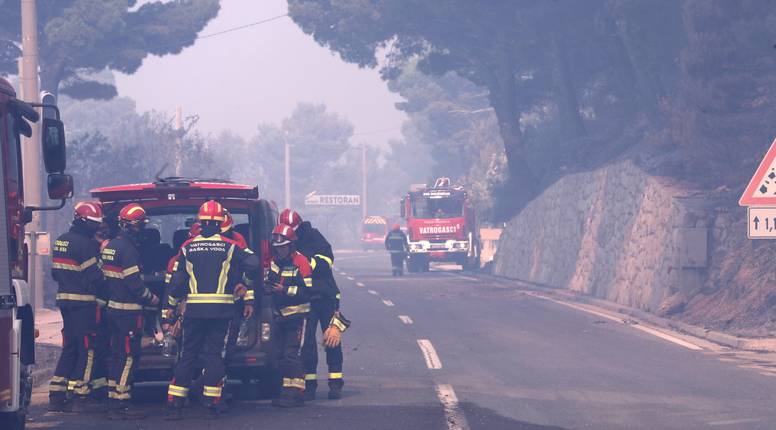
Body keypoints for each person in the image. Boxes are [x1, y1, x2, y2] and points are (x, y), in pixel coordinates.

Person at [163, 201, 260, 420]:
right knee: (214, 356)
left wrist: (170, 306)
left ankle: (175, 404)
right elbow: (254, 263)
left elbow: (177, 283)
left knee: (187, 355)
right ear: (220, 222)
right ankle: (211, 404)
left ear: (201, 221)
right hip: (221, 311)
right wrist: (243, 281)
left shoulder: (187, 247)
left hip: (194, 311)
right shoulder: (230, 246)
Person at [278, 209, 348, 399]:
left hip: (325, 297)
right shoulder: (286, 242)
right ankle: (309, 385)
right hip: (306, 299)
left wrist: (306, 263)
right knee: (307, 344)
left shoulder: (313, 236)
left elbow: (327, 260)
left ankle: (335, 384)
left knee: (331, 339)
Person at [100, 203, 160, 420]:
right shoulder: (129, 250)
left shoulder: (110, 247)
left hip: (113, 310)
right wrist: (151, 298)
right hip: (129, 313)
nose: (142, 230)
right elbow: (134, 283)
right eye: (141, 225)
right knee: (128, 357)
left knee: (116, 355)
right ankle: (122, 403)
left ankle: (113, 398)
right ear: (132, 226)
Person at [48, 202, 106, 413]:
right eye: (94, 224)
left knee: (70, 347)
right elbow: (96, 277)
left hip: (65, 301)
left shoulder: (61, 241)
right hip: (83, 303)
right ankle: (82, 395)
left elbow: (55, 274)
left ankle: (57, 395)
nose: (96, 228)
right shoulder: (86, 245)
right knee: (88, 348)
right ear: (83, 221)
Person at [266, 224, 315, 407]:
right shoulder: (274, 262)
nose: (279, 251)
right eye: (277, 248)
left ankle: (297, 393)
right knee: (280, 355)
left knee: (291, 355)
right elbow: (270, 280)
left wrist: (284, 290)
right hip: (280, 317)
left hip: (297, 317)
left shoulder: (301, 262)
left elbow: (308, 292)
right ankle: (287, 391)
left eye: (283, 247)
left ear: (291, 246)